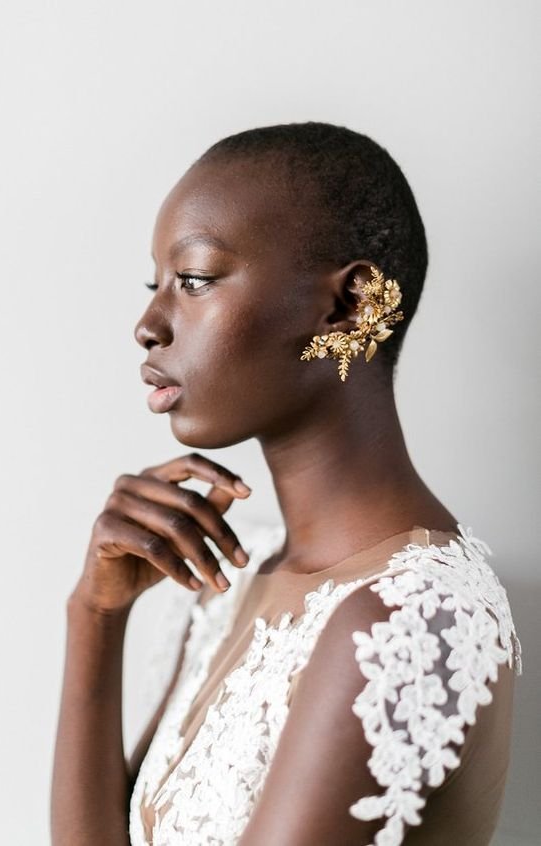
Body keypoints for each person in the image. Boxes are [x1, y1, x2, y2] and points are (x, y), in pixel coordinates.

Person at [50, 122, 523, 846]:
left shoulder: (403, 619)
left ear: (351, 306)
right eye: (156, 285)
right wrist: (94, 614)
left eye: (195, 280)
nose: (148, 325)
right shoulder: (229, 578)